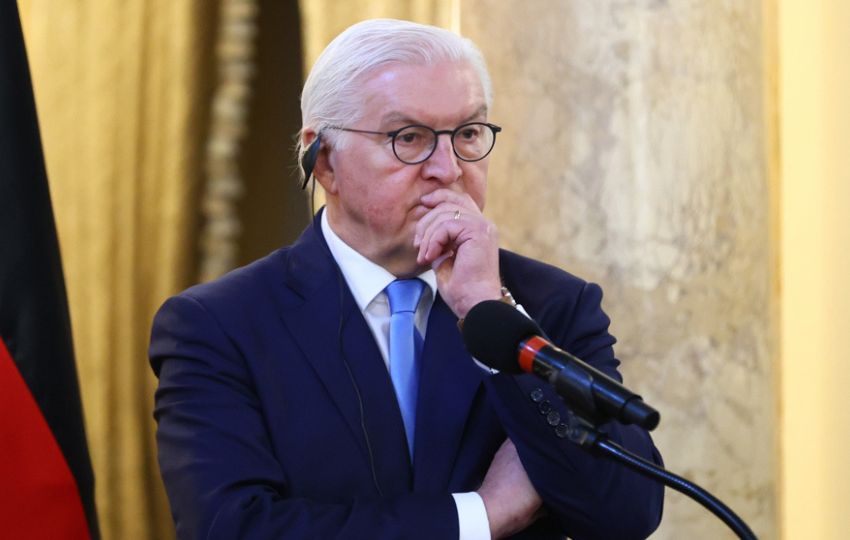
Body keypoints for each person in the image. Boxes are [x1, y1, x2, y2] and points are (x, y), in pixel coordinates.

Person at [150, 18, 664, 540]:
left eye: (467, 134)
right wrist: (481, 516)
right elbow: (233, 529)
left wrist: (489, 310)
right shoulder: (219, 325)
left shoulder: (552, 303)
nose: (449, 168)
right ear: (323, 159)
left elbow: (626, 515)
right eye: (409, 138)